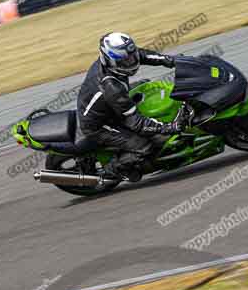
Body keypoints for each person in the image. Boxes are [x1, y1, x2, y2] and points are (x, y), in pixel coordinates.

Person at [76, 32, 191, 182]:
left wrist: (171, 60)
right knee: (144, 146)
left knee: (148, 85)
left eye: (131, 57)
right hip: (99, 125)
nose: (131, 63)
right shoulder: (111, 86)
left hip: (111, 105)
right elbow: (136, 123)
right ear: (111, 60)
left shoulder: (114, 62)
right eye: (126, 61)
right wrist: (170, 127)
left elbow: (141, 55)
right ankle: (114, 169)